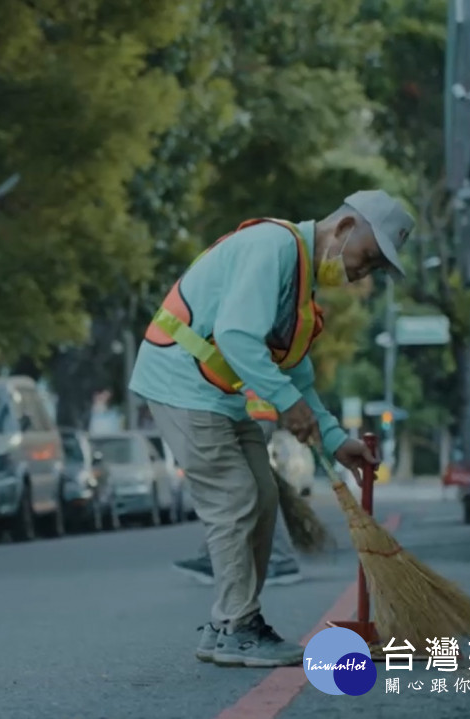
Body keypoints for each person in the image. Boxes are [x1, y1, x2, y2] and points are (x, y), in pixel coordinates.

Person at [130, 190, 412, 668]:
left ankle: (228, 626)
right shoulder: (273, 247)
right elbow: (239, 336)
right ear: (344, 229)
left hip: (218, 394)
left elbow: (296, 373)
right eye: (368, 257)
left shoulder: (301, 286)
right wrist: (287, 406)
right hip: (181, 383)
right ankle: (238, 624)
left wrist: (333, 437)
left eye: (376, 268)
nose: (363, 273)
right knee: (235, 497)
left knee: (262, 495)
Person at [172, 392, 302, 588]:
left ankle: (280, 559)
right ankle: (216, 555)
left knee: (238, 486)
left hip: (245, 415)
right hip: (251, 413)